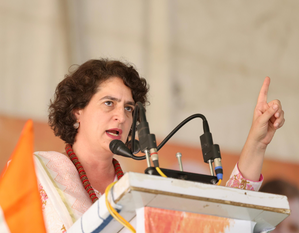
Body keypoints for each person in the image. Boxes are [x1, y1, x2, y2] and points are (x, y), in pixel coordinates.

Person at [34, 58, 285, 232]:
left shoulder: (139, 191)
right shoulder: (37, 172)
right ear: (77, 110)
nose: (121, 116)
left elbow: (226, 219)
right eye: (109, 103)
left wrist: (257, 142)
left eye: (129, 108)